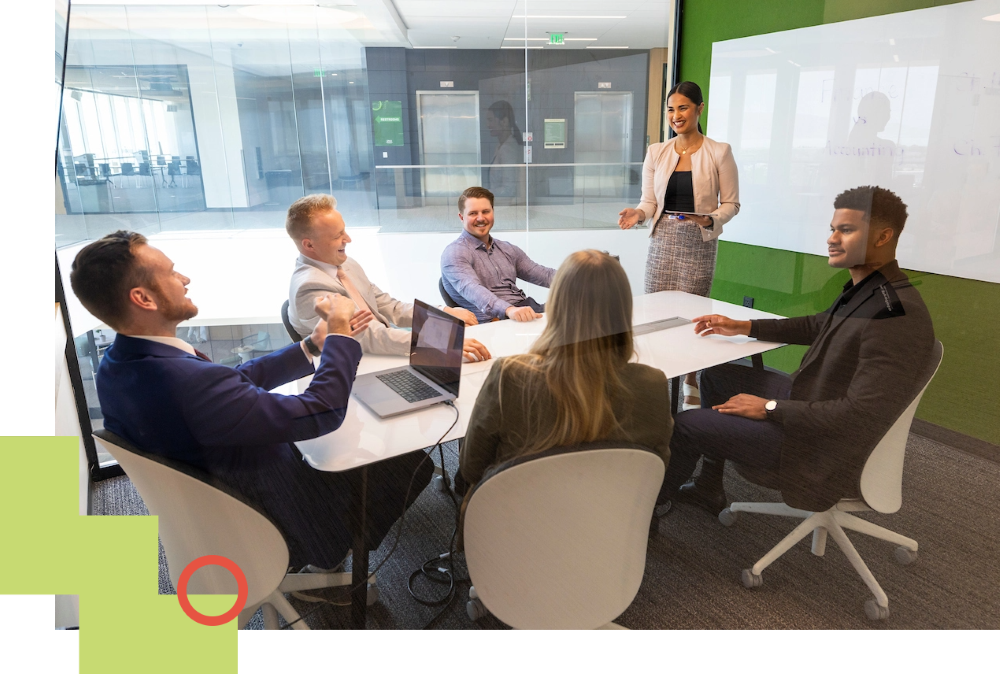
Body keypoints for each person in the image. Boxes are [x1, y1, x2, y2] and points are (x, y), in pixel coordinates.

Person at [70, 230, 434, 572]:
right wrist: (341, 337)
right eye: (171, 272)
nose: (184, 279)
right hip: (274, 516)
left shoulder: (118, 366)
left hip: (216, 506)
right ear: (143, 298)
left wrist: (311, 346)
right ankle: (328, 555)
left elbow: (229, 383)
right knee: (410, 462)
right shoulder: (187, 382)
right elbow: (320, 412)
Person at [661, 186, 935, 515]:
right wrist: (743, 326)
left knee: (686, 424)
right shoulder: (870, 290)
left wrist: (770, 408)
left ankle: (647, 512)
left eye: (846, 230)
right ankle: (708, 487)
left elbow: (857, 417)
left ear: (882, 237)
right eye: (832, 229)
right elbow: (819, 326)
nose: (832, 239)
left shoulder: (895, 316)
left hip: (814, 443)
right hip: (813, 399)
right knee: (718, 377)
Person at [458, 250, 674, 545]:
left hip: (512, 539)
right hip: (609, 534)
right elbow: (655, 474)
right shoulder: (653, 384)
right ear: (623, 310)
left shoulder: (511, 376)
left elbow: (470, 468)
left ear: (557, 306)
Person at [618, 81, 740, 411]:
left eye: (683, 108)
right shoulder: (656, 151)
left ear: (699, 109)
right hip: (663, 240)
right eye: (671, 109)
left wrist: (709, 219)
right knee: (655, 312)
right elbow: (648, 202)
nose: (676, 115)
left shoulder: (719, 151)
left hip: (698, 240)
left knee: (692, 314)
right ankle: (654, 377)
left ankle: (690, 379)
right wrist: (637, 213)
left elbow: (731, 203)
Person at [286, 194, 491, 362]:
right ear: (309, 245)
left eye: (344, 231)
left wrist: (444, 313)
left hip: (382, 351)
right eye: (337, 236)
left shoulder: (345, 264)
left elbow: (390, 307)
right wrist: (440, 341)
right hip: (356, 367)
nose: (348, 239)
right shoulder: (309, 287)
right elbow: (369, 337)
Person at [441, 186, 556, 323]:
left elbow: (543, 274)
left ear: (492, 212)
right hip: (495, 322)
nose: (480, 218)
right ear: (461, 217)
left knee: (578, 310)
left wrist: (578, 278)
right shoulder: (455, 253)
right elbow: (473, 290)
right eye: (473, 213)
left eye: (485, 211)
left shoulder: (507, 249)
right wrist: (509, 310)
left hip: (526, 310)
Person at [485, 100, 524, 199]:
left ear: (504, 122)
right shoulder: (500, 146)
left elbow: (509, 189)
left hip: (506, 206)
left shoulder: (508, 149)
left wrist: (483, 194)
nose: (487, 125)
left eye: (491, 120)